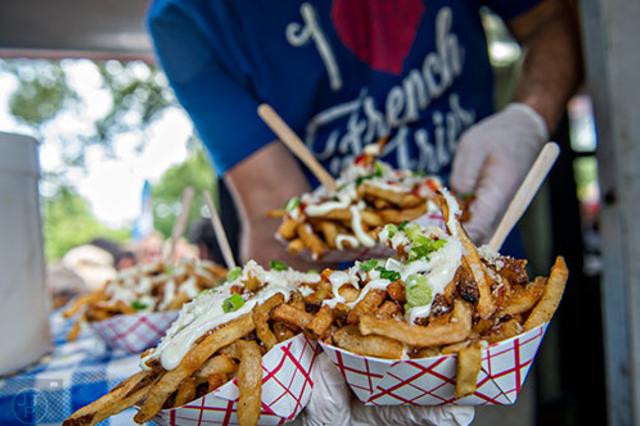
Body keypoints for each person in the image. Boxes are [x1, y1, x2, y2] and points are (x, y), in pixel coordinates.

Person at [147, 0, 582, 424]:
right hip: (346, 327)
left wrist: (529, 115)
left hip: (488, 312)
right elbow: (272, 211)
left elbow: (551, 18)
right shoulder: (190, 16)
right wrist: (306, 365)